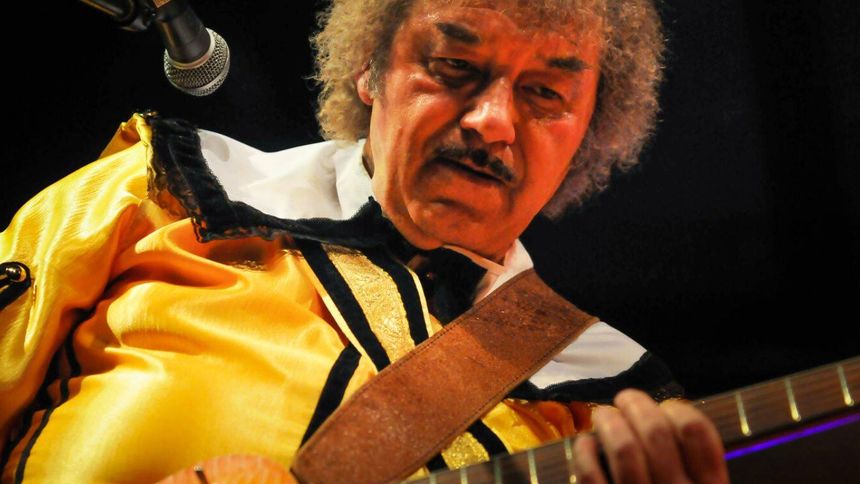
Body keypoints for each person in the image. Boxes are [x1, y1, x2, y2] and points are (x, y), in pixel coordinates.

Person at [0, 0, 728, 482]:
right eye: (454, 66)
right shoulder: (154, 195)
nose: (493, 121)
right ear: (370, 69)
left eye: (546, 93)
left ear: (590, 128)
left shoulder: (611, 401)